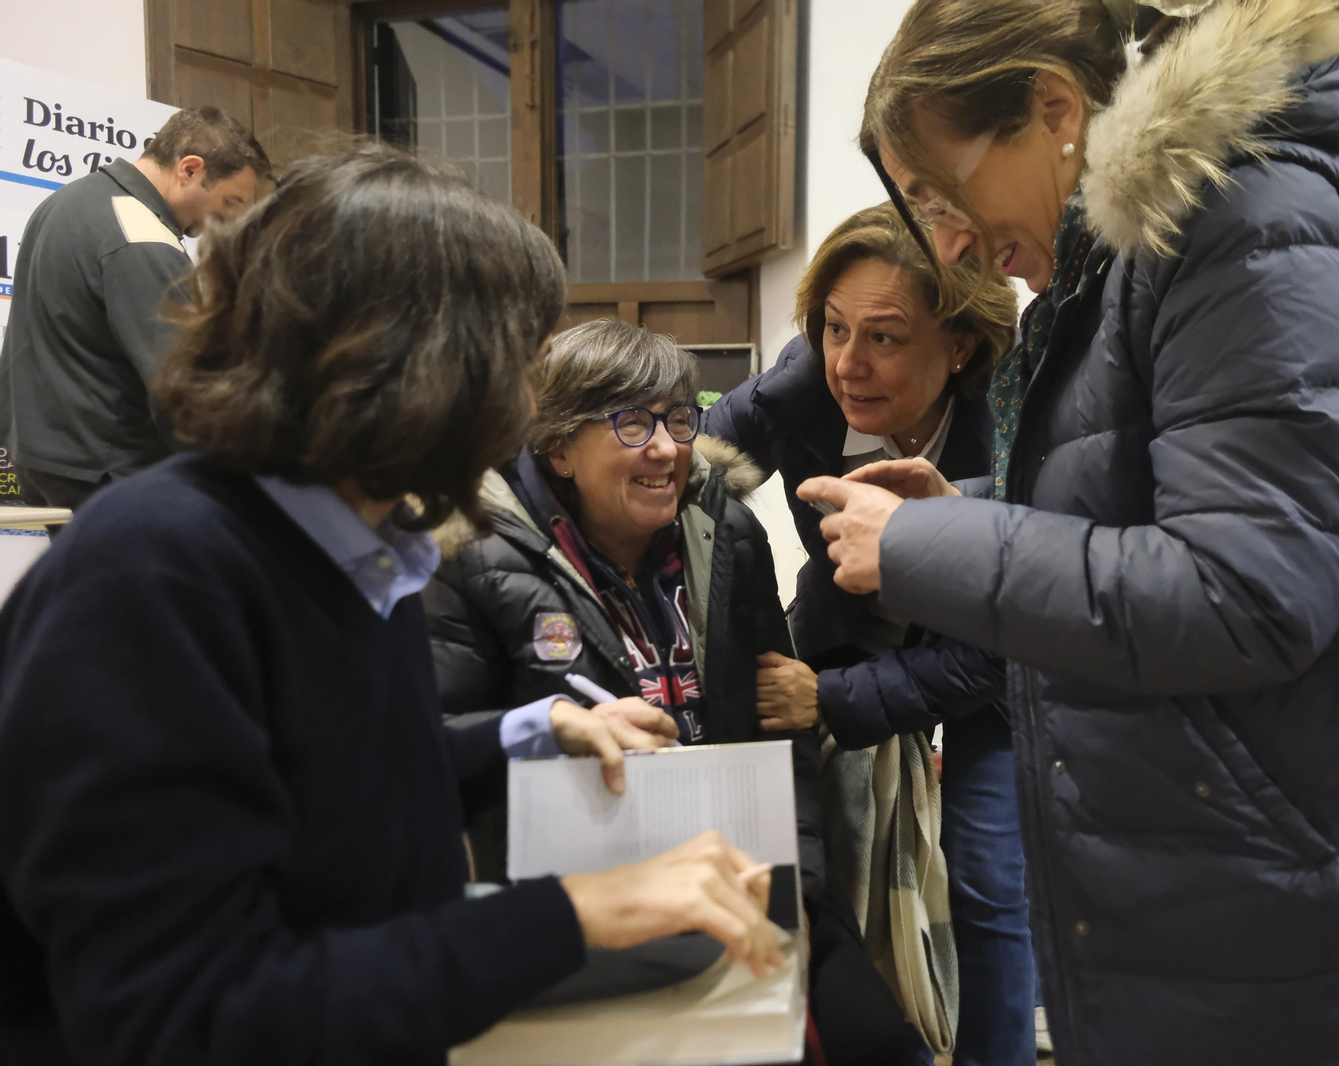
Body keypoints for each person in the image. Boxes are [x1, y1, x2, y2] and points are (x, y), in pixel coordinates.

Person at [800, 0, 1339, 1063]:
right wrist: (967, 517)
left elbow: (1247, 590)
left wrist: (917, 551)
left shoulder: (1245, 212)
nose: (946, 242)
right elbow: (1162, 497)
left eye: (938, 194)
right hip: (1304, 867)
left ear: (1052, 109)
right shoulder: (1137, 250)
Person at [0, 144, 781, 1066]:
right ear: (417, 368)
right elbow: (186, 1016)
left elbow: (317, 782)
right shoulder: (152, 577)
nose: (523, 408)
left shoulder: (347, 549)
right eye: (513, 363)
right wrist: (574, 913)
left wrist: (529, 732)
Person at [422, 317, 919, 1066]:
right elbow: (439, 748)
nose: (665, 447)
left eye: (678, 419)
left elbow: (779, 721)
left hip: (739, 869)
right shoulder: (471, 558)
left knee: (876, 1043)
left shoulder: (727, 534)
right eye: (629, 423)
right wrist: (548, 722)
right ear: (559, 446)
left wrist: (800, 889)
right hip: (578, 896)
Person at [703, 204, 1038, 1066]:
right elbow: (685, 464)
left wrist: (833, 697)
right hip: (852, 630)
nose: (849, 364)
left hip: (996, 662)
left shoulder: (1021, 429)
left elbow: (1009, 649)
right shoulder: (799, 386)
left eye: (885, 338)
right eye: (833, 327)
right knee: (837, 868)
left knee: (991, 884)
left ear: (959, 343)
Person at [0, 106, 269, 510]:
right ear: (190, 170)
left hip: (45, 460)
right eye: (231, 200)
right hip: (110, 470)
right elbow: (181, 385)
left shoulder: (67, 201)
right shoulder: (140, 235)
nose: (231, 218)